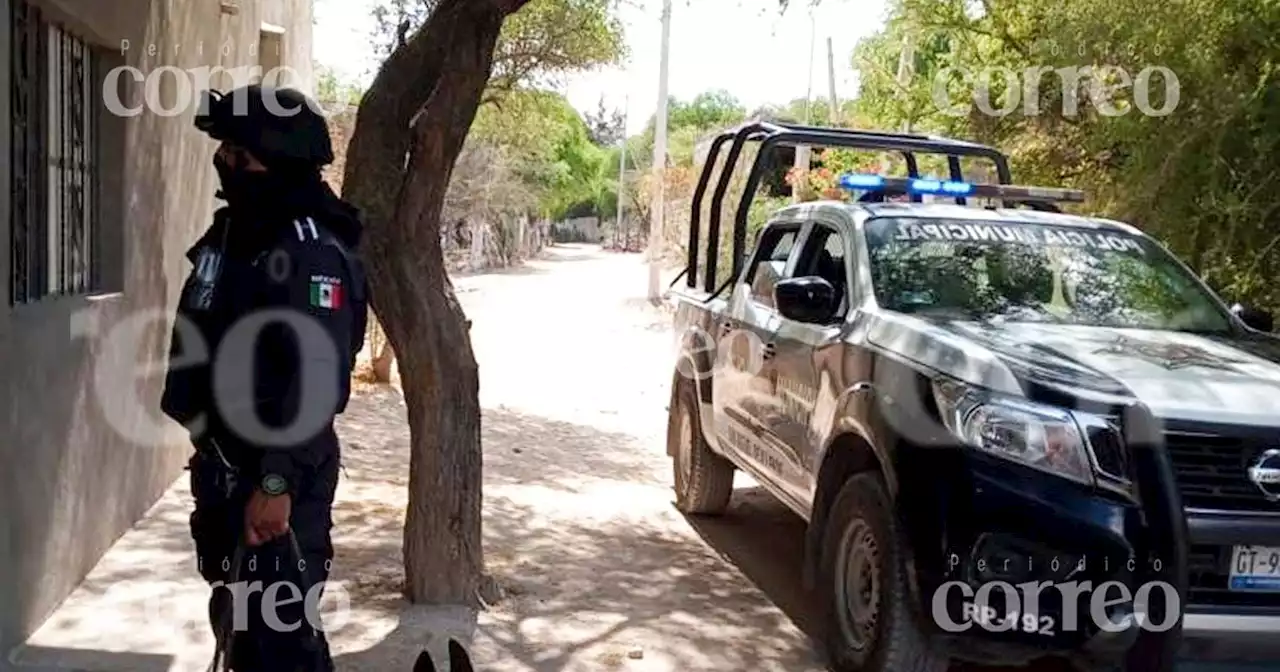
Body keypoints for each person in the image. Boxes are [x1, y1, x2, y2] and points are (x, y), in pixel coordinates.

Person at [160, 84, 368, 672]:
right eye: (225, 150)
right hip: (227, 475)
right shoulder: (233, 237)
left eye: (242, 155)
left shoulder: (311, 252)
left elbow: (317, 383)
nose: (228, 164)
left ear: (283, 165)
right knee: (239, 631)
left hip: (277, 483)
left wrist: (274, 485)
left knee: (281, 646)